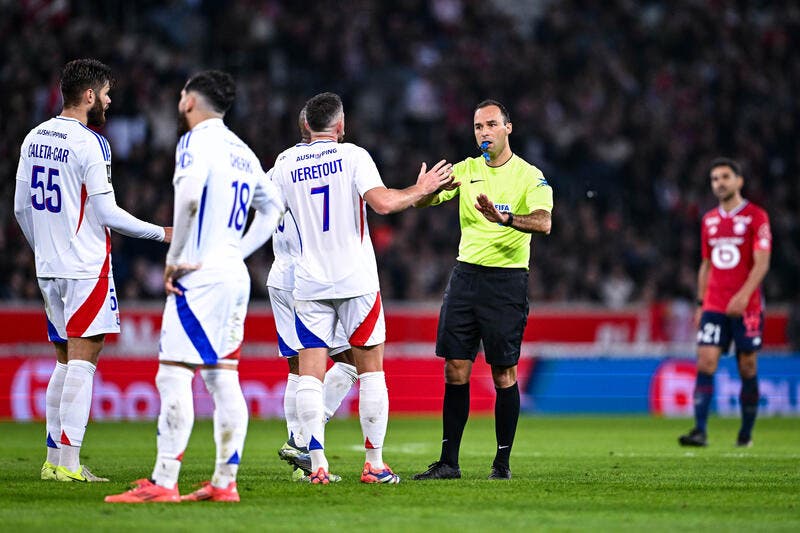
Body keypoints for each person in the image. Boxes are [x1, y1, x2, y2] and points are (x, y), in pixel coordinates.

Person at [105, 70, 284, 503]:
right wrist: (237, 250)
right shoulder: (241, 149)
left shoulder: (194, 141)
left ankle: (164, 481)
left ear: (189, 101)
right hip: (231, 273)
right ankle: (225, 483)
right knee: (224, 378)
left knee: (173, 376)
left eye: (182, 94)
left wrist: (174, 260)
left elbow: (186, 200)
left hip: (198, 274)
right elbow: (273, 207)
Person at [269, 92, 454, 484]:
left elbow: (264, 213)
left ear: (306, 126)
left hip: (308, 282)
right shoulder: (353, 155)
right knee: (370, 372)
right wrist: (421, 189)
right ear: (340, 126)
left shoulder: (284, 163)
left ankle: (317, 465)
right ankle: (374, 464)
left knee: (309, 376)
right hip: (356, 280)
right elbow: (384, 204)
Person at [13, 58, 171, 483]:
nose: (109, 100)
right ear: (88, 96)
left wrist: (43, 250)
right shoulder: (91, 143)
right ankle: (69, 464)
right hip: (85, 267)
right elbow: (108, 214)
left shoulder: (34, 137)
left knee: (64, 361)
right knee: (83, 361)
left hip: (48, 267)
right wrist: (162, 233)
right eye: (105, 93)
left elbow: (20, 207)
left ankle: (52, 460)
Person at [412, 100, 553, 481]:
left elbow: (543, 222)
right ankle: (448, 463)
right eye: (477, 127)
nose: (483, 132)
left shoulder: (530, 176)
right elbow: (426, 200)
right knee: (455, 368)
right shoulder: (466, 170)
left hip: (506, 281)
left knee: (504, 374)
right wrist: (423, 189)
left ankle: (501, 464)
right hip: (465, 279)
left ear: (509, 128)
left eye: (491, 124)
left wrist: (505, 218)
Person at [240, 107, 358, 481]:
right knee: (354, 362)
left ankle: (301, 462)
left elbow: (258, 211)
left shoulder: (281, 166)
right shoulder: (335, 164)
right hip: (312, 278)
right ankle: (302, 438)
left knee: (298, 367)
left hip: (279, 275)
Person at [679, 157, 771, 448]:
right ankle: (700, 430)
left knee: (747, 366)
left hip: (748, 306)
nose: (719, 183)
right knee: (705, 361)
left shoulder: (757, 217)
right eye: (715, 179)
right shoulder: (709, 220)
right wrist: (699, 303)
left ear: (739, 181)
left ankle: (745, 434)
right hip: (715, 305)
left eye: (725, 177)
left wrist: (744, 295)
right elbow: (705, 264)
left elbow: (762, 262)